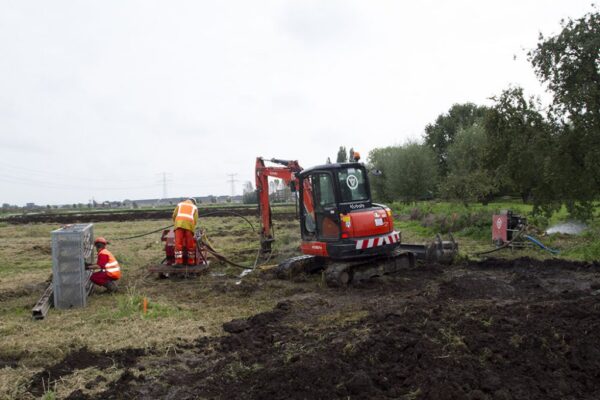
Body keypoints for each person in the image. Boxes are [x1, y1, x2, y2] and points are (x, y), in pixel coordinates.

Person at [172, 198, 199, 265]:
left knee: (178, 244)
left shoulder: (180, 204)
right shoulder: (194, 207)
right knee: (190, 244)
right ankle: (191, 261)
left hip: (179, 225)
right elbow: (195, 220)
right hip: (189, 226)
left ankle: (179, 262)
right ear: (194, 202)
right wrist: (192, 226)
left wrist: (176, 222)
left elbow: (174, 215)